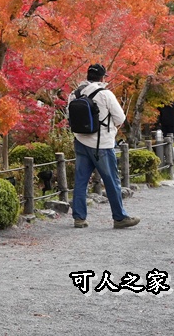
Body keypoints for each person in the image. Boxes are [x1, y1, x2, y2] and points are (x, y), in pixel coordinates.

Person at [70, 63, 140, 229]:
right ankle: (119, 217)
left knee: (80, 181)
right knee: (111, 181)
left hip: (80, 141)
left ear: (87, 76)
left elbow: (69, 117)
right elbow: (120, 118)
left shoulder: (74, 94)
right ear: (102, 78)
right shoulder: (105, 94)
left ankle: (79, 218)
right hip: (101, 144)